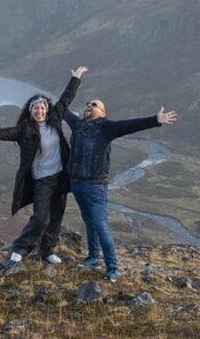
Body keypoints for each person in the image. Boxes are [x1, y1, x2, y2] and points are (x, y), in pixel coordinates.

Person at [0, 66, 88, 266]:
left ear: (47, 109)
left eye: (42, 107)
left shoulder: (55, 119)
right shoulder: (24, 129)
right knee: (41, 218)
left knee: (56, 217)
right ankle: (20, 247)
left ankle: (47, 251)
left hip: (61, 178)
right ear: (31, 111)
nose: (40, 110)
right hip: (42, 180)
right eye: (36, 108)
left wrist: (75, 78)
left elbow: (66, 98)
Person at [64, 97, 177, 282]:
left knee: (100, 225)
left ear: (103, 112)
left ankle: (112, 267)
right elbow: (63, 109)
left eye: (95, 105)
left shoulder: (106, 127)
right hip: (76, 183)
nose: (89, 106)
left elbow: (130, 125)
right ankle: (93, 256)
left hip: (95, 186)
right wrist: (73, 82)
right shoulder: (78, 125)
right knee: (88, 221)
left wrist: (155, 121)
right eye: (87, 104)